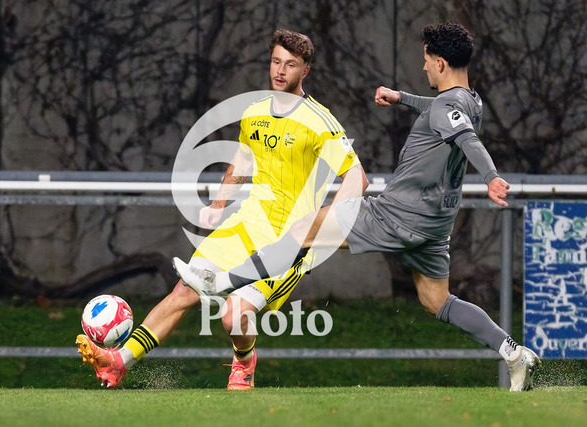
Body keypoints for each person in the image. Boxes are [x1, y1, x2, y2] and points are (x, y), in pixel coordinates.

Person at [174, 22, 542, 391]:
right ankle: (513, 352)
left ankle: (218, 281)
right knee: (437, 300)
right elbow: (441, 110)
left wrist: (491, 176)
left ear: (441, 64)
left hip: (398, 214)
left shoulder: (449, 109)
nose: (424, 67)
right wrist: (402, 98)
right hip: (435, 223)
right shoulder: (469, 101)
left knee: (303, 229)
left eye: (427, 60)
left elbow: (467, 139)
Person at [76, 29, 368, 389]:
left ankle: (244, 361)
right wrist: (217, 204)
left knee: (232, 318)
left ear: (305, 71)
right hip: (243, 225)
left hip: (285, 241)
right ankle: (118, 361)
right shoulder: (255, 111)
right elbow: (243, 160)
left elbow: (357, 178)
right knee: (184, 290)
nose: (280, 71)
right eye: (276, 62)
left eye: (290, 65)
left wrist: (327, 225)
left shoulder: (319, 121)